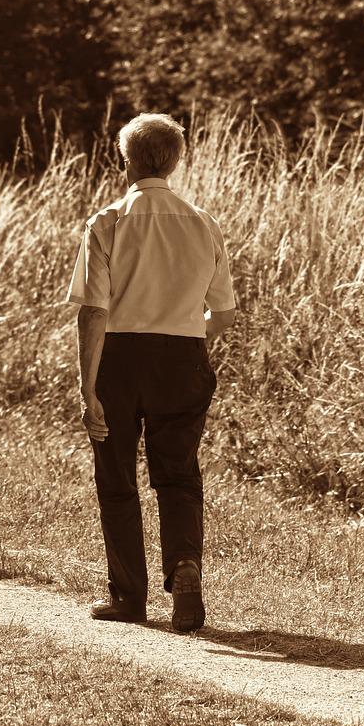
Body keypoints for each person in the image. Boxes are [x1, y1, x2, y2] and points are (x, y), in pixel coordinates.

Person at [67, 113, 236, 632]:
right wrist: (185, 334)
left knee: (116, 476)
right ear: (177, 159)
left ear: (126, 159)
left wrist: (87, 386)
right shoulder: (202, 221)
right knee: (179, 472)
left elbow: (93, 311)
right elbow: (225, 313)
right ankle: (184, 564)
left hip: (119, 355)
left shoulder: (109, 220)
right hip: (183, 356)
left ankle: (128, 596)